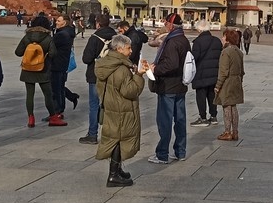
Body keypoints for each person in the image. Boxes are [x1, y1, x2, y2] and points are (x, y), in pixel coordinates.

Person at [95, 34, 147, 187]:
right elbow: (130, 91)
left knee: (115, 137)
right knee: (118, 139)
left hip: (112, 106)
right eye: (128, 48)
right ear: (119, 49)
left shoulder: (107, 63)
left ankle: (117, 170)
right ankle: (113, 175)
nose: (131, 51)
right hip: (121, 108)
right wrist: (139, 75)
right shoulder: (120, 69)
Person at [147, 13, 190, 164]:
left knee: (164, 120)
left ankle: (162, 154)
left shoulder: (172, 42)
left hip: (168, 86)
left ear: (171, 25)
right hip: (180, 85)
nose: (164, 24)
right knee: (180, 120)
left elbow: (171, 64)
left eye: (166, 22)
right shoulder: (183, 39)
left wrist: (155, 69)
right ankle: (180, 151)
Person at [15, 15, 63, 128]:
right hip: (43, 69)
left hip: (28, 69)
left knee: (29, 95)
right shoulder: (47, 38)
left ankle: (31, 118)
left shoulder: (26, 37)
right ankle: (53, 117)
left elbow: (18, 52)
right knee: (48, 95)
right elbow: (53, 53)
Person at [79, 14, 117, 145]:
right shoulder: (116, 38)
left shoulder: (94, 38)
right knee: (111, 105)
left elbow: (86, 59)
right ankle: (111, 135)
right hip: (112, 74)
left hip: (96, 75)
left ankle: (92, 134)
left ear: (98, 24)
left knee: (94, 105)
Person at [214, 28, 245, 141]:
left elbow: (223, 71)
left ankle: (227, 132)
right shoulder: (239, 51)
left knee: (226, 106)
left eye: (223, 37)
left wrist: (218, 86)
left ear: (227, 39)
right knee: (234, 107)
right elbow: (242, 71)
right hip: (236, 81)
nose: (222, 39)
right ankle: (235, 132)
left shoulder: (226, 52)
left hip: (228, 82)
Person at [189, 20, 221, 127]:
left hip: (201, 74)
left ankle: (203, 118)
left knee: (201, 96)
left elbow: (195, 58)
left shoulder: (197, 42)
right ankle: (213, 116)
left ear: (199, 29)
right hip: (214, 73)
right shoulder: (216, 41)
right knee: (212, 95)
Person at [50, 15, 79, 119]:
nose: (56, 22)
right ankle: (67, 102)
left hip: (57, 64)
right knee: (60, 87)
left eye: (58, 21)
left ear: (64, 23)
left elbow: (50, 45)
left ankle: (57, 112)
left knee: (55, 89)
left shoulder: (62, 34)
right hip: (63, 64)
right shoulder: (68, 32)